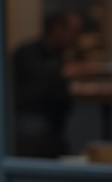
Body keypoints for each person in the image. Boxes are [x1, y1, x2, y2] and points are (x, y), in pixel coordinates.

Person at [12, 11, 83, 158]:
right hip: (32, 124)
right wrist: (65, 72)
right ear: (57, 29)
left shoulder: (58, 54)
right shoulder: (27, 53)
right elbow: (37, 82)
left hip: (54, 126)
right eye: (73, 32)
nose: (76, 38)